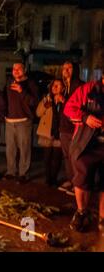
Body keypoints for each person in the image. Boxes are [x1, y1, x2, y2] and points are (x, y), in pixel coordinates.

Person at [64, 75, 104, 232]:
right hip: (87, 143)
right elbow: (69, 108)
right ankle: (81, 212)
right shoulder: (88, 90)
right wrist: (85, 117)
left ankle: (102, 218)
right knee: (82, 177)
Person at [4, 62, 38, 184]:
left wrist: (21, 91)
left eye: (19, 68)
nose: (16, 70)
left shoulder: (30, 83)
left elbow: (34, 101)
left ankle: (24, 173)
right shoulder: (9, 82)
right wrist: (4, 114)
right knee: (10, 149)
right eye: (14, 68)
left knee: (24, 148)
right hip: (9, 120)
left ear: (24, 70)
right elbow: (5, 98)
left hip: (24, 121)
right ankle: (11, 171)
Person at [58, 61, 84, 195]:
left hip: (74, 128)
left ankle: (78, 184)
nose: (66, 70)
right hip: (64, 127)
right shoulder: (65, 86)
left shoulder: (79, 86)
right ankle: (71, 180)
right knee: (67, 156)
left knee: (75, 156)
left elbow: (80, 105)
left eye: (69, 68)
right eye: (64, 68)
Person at [36, 79, 65, 187]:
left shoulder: (66, 99)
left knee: (57, 158)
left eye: (58, 85)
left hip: (59, 132)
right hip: (47, 131)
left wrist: (63, 102)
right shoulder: (47, 98)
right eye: (53, 85)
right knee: (47, 157)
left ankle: (54, 179)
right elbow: (38, 113)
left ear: (63, 88)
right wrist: (45, 105)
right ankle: (48, 179)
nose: (55, 87)